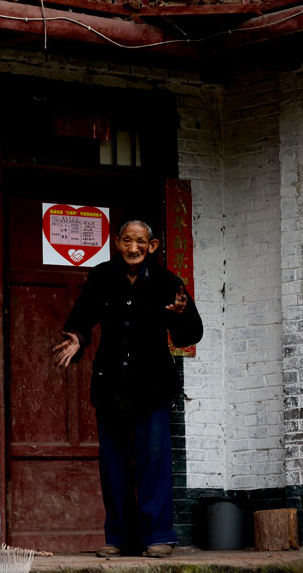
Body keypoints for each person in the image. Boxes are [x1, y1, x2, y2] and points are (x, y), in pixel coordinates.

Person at [53, 219, 203, 558]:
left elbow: (189, 335)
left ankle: (158, 536)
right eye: (127, 241)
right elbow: (81, 317)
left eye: (140, 242)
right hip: (111, 386)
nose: (133, 248)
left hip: (153, 386)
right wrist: (77, 338)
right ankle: (119, 538)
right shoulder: (102, 277)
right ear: (117, 242)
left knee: (154, 462)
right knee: (114, 466)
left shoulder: (168, 283)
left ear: (152, 246)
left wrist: (180, 315)